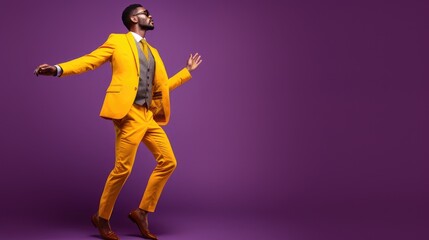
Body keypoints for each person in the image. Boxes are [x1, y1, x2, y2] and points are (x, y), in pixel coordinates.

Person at [34, 3, 202, 240]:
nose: (151, 16)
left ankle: (142, 212)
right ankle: (102, 217)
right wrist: (58, 69)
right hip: (127, 113)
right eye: (146, 13)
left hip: (147, 115)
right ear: (134, 18)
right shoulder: (117, 41)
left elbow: (161, 90)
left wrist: (186, 72)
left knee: (168, 161)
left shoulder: (153, 52)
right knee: (123, 169)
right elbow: (89, 60)